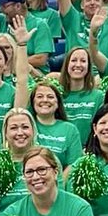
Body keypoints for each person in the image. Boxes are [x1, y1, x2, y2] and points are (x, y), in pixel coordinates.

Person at [15, 30, 83, 170]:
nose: (45, 100)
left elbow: (73, 166)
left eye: (50, 97)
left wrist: (56, 181)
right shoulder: (26, 124)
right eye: (40, 96)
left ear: (58, 103)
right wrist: (21, 45)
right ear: (32, 102)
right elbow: (22, 80)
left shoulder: (69, 130)